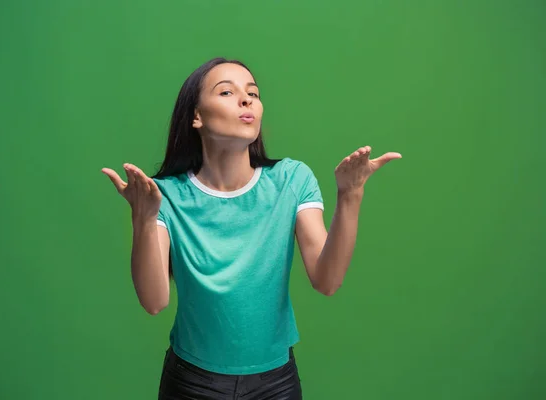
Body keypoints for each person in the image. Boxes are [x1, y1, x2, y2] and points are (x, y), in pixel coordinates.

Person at [102, 57, 401, 399]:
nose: (247, 100)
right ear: (196, 117)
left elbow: (327, 280)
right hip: (191, 383)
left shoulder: (292, 180)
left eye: (253, 94)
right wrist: (142, 219)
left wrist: (350, 195)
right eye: (227, 92)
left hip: (275, 383)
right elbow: (154, 301)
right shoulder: (164, 195)